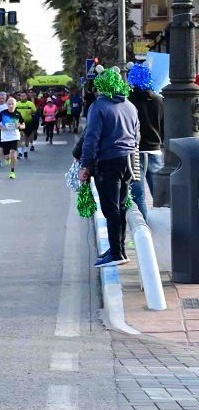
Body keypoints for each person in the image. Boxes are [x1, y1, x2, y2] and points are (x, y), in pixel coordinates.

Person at [78, 68, 140, 267]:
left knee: (110, 207)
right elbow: (137, 135)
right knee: (120, 206)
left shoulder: (99, 106)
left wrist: (85, 165)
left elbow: (91, 138)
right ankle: (118, 248)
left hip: (108, 161)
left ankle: (116, 253)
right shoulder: (130, 105)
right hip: (128, 159)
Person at [127, 64, 163, 221]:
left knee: (138, 194)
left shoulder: (128, 101)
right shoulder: (159, 101)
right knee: (160, 194)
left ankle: (144, 228)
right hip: (155, 150)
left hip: (135, 152)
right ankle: (163, 225)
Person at [0, 96, 25, 180]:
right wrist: (2, 128)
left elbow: (24, 125)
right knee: (6, 157)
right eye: (9, 104)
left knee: (13, 152)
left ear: (15, 105)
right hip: (5, 137)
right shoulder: (3, 113)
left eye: (12, 104)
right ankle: (7, 159)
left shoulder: (18, 114)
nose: (11, 106)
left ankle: (12, 172)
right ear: (7, 105)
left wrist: (19, 125)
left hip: (14, 136)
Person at [14, 92, 36, 159]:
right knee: (19, 137)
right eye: (21, 96)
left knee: (27, 137)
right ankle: (20, 152)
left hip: (28, 122)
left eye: (24, 96)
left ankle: (26, 151)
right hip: (19, 123)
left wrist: (31, 112)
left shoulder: (30, 103)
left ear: (26, 96)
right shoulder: (17, 104)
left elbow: (34, 111)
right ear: (19, 97)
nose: (22, 97)